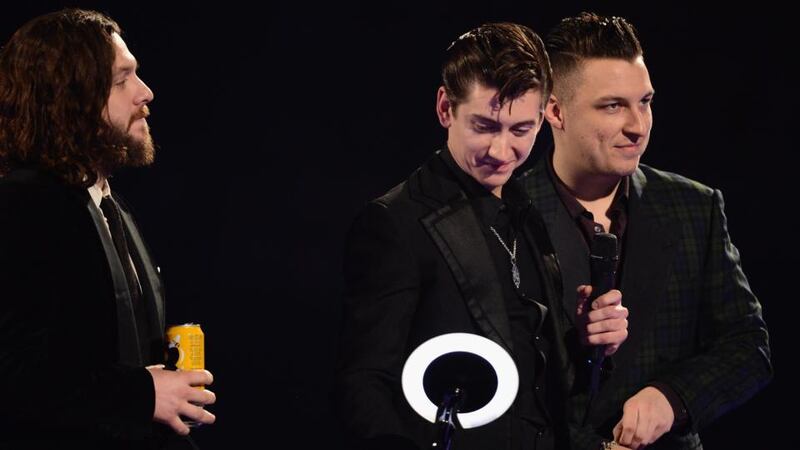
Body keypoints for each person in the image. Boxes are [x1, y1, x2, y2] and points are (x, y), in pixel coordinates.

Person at [337, 22, 628, 450]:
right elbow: (364, 385)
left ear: (545, 115)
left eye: (520, 130)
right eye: (484, 126)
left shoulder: (529, 211)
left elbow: (543, 381)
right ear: (444, 108)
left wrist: (588, 344)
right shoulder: (394, 222)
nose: (500, 151)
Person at [520, 12, 772, 449]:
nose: (638, 125)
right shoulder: (505, 215)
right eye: (613, 105)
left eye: (646, 102)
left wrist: (672, 398)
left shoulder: (696, 207)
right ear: (555, 111)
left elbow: (749, 347)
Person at [0, 9, 216, 448]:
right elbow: (12, 373)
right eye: (122, 80)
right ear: (68, 97)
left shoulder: (107, 204)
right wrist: (139, 393)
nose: (145, 92)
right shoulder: (22, 207)